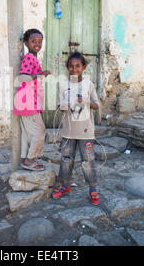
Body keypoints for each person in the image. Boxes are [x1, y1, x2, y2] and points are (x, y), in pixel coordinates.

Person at [52, 52, 100, 205]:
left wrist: (85, 100)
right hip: (68, 131)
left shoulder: (88, 84)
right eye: (71, 66)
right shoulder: (63, 85)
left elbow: (96, 105)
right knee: (66, 159)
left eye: (77, 66)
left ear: (83, 67)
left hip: (85, 131)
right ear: (67, 67)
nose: (74, 69)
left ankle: (92, 188)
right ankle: (65, 185)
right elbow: (60, 106)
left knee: (87, 160)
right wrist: (62, 107)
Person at [13, 28, 51, 171]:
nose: (37, 44)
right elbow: (22, 77)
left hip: (26, 102)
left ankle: (25, 159)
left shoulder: (33, 58)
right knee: (40, 131)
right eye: (33, 41)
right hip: (28, 102)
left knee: (28, 133)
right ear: (26, 43)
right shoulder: (29, 58)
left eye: (40, 41)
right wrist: (41, 74)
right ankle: (30, 160)